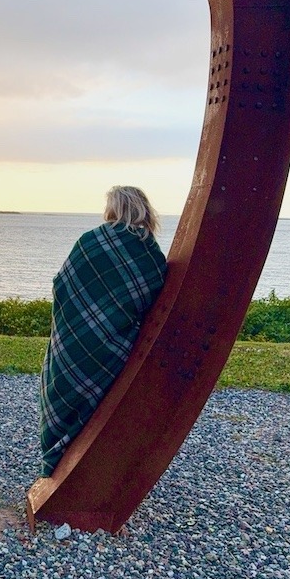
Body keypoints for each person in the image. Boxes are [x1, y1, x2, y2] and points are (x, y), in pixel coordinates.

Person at [39, 186, 167, 477]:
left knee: (63, 388)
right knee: (99, 400)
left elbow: (63, 283)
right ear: (145, 210)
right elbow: (148, 300)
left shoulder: (92, 241)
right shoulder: (151, 252)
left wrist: (76, 318)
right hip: (119, 346)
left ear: (113, 208)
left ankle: (58, 455)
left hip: (76, 336)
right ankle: (90, 465)